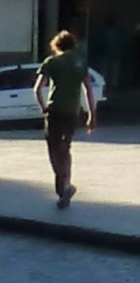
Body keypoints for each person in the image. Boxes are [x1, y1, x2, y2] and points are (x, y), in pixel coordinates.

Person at [32, 29, 97, 208]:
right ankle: (67, 184)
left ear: (56, 45)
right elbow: (88, 90)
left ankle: (62, 186)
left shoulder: (51, 62)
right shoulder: (80, 63)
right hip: (72, 112)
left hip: (55, 111)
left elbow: (37, 89)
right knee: (66, 147)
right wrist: (91, 115)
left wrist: (43, 107)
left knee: (54, 149)